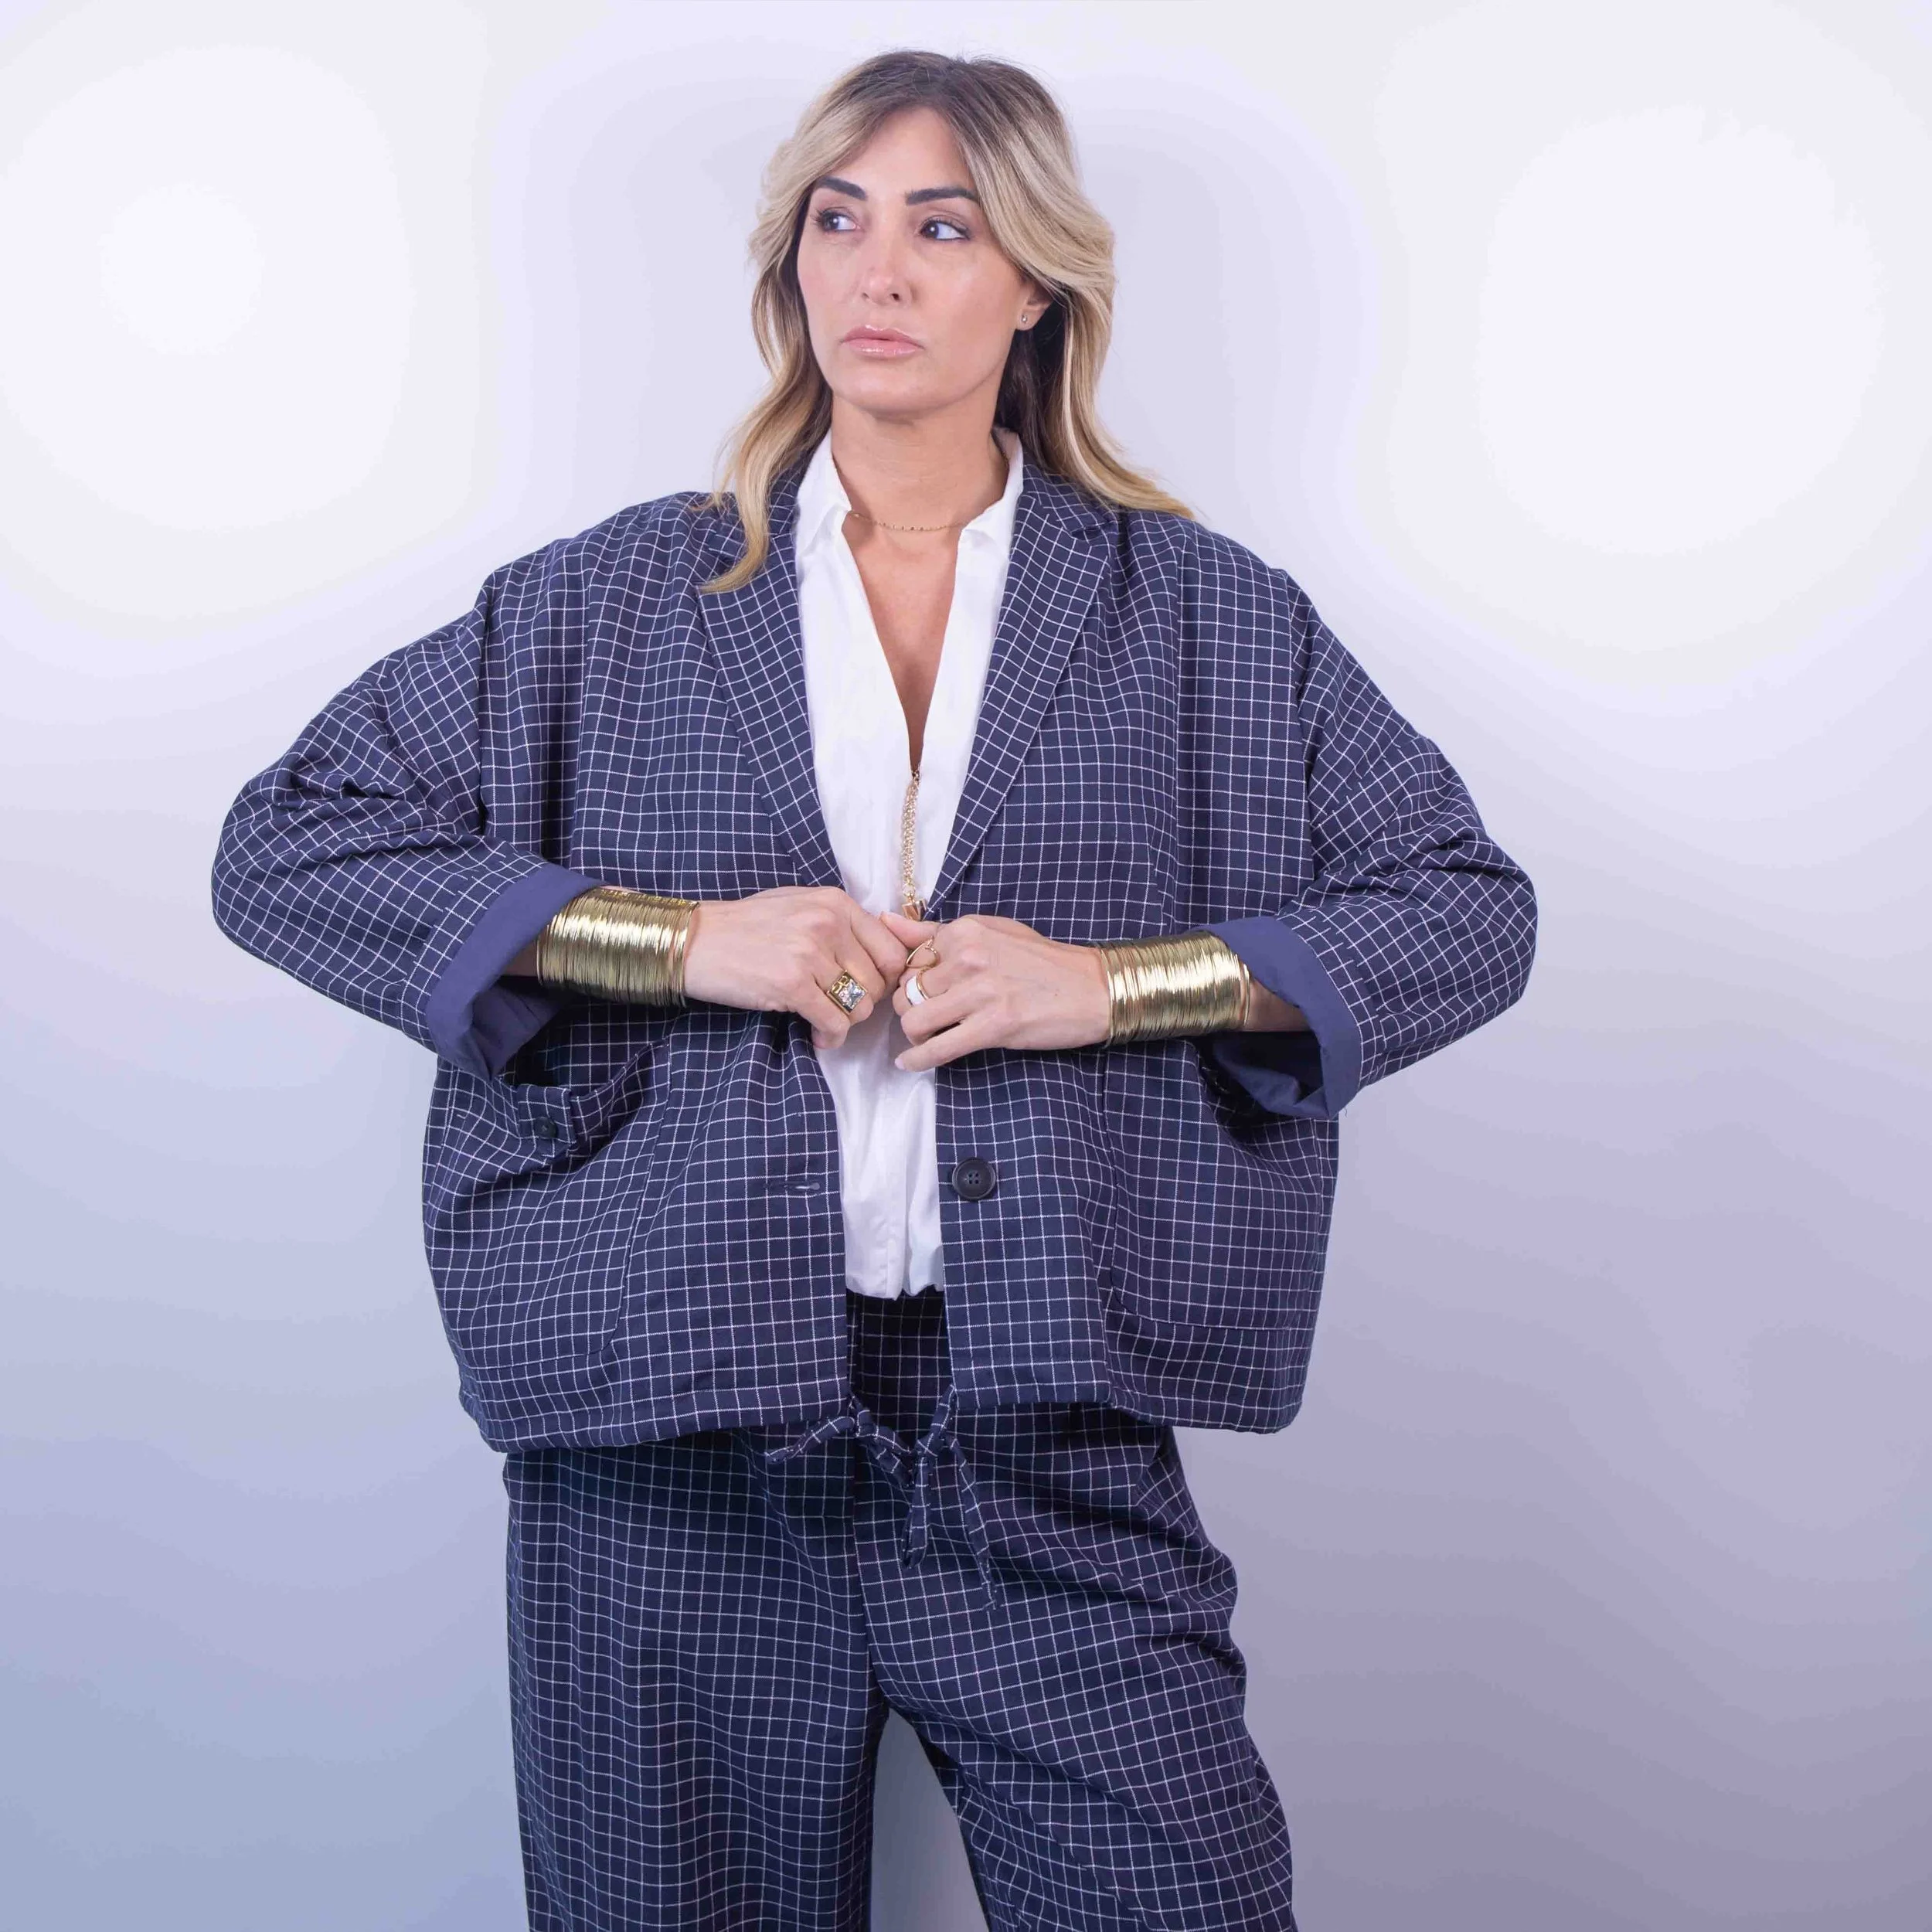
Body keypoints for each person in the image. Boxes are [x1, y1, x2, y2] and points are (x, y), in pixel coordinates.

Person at [211, 47, 1536, 1932]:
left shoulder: (1207, 618)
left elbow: (1461, 909)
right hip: (667, 1433)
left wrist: (1118, 985)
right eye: (837, 221)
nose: (878, 270)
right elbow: (287, 844)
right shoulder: (610, 599)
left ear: (1037, 281)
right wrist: (677, 941)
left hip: (1043, 1425)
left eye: (942, 225)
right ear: (791, 262)